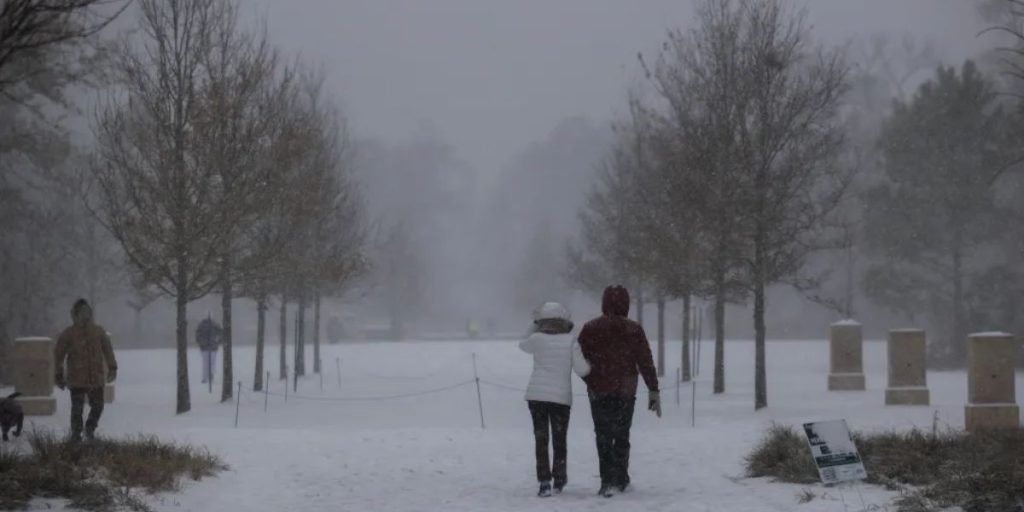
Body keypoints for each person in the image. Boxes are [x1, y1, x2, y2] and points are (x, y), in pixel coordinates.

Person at [578, 285, 660, 497]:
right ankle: (621, 478)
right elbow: (645, 360)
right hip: (625, 389)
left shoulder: (590, 328)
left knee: (603, 436)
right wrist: (653, 389)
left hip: (599, 390)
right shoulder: (633, 329)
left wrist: (591, 378)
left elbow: (578, 358)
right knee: (622, 435)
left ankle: (606, 480)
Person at [519, 302, 590, 497]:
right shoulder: (570, 342)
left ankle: (544, 482)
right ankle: (559, 478)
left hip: (536, 396)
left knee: (541, 440)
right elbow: (582, 369)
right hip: (560, 399)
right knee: (559, 440)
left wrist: (534, 323)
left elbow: (522, 343)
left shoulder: (536, 339)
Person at [54, 299, 117, 441]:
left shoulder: (98, 331)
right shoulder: (69, 334)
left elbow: (108, 351)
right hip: (77, 379)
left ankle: (90, 428)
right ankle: (76, 434)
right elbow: (58, 355)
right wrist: (58, 374)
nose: (85, 316)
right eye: (82, 312)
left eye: (87, 312)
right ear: (75, 315)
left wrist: (112, 367)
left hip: (96, 378)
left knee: (98, 406)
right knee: (77, 410)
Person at [195, 314, 223, 384]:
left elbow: (198, 336)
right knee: (211, 363)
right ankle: (209, 376)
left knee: (206, 363)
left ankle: (207, 377)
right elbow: (221, 335)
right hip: (211, 347)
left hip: (207, 348)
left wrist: (202, 342)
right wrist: (217, 341)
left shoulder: (202, 325)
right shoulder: (215, 325)